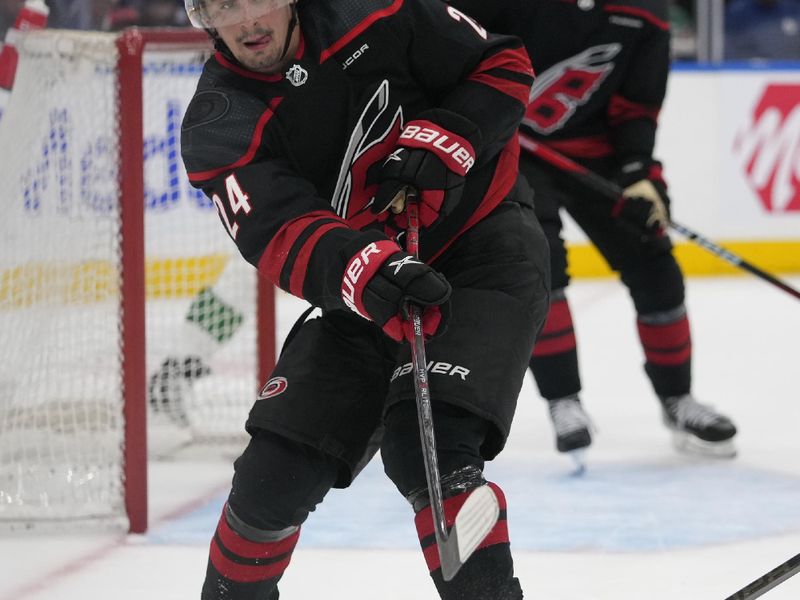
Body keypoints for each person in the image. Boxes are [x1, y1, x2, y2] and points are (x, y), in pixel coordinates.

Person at [180, 1, 549, 598]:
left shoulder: (373, 9)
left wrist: (447, 137)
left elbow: (500, 63)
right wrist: (365, 267)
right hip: (363, 292)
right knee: (269, 480)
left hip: (481, 250)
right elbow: (278, 231)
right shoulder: (219, 121)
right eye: (221, 5)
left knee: (427, 447)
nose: (245, 20)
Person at [446, 0, 738, 458]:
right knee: (540, 265)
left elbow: (637, 107)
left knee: (654, 262)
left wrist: (638, 172)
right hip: (515, 151)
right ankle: (565, 403)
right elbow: (458, 49)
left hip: (599, 155)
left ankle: (678, 399)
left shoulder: (647, 13)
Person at [725, 0, 800, 60]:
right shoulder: (738, 12)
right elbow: (729, 54)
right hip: (754, 74)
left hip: (792, 74)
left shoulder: (795, 9)